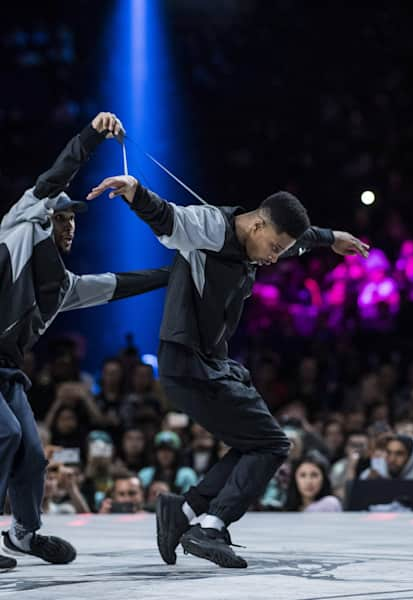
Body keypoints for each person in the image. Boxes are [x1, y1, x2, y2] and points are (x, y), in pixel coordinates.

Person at [87, 172, 369, 568]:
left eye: (279, 250)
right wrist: (135, 193)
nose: (274, 257)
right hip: (187, 362)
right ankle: (209, 527)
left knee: (254, 444)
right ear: (256, 224)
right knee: (272, 444)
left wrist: (331, 236)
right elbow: (168, 218)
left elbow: (295, 243)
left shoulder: (260, 241)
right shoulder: (209, 227)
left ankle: (183, 512)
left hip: (209, 363)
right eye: (273, 247)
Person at [0, 113, 170, 570]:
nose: (70, 225)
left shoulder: (66, 288)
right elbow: (57, 174)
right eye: (62, 217)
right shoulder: (19, 228)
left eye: (74, 219)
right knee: (6, 433)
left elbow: (119, 283)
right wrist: (94, 134)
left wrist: (179, 272)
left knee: (33, 456)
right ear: (44, 218)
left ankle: (22, 534)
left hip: (5, 373)